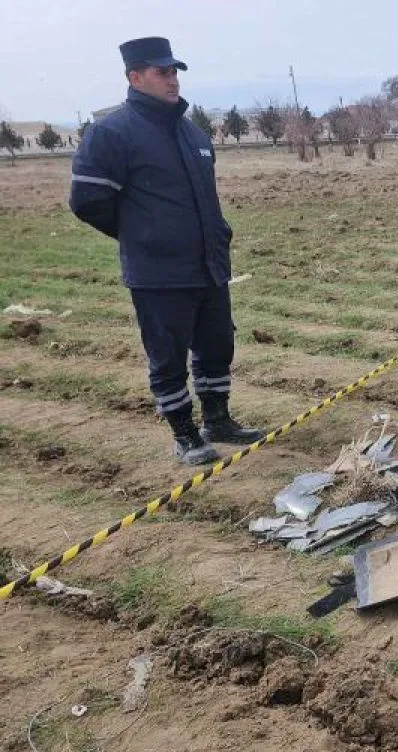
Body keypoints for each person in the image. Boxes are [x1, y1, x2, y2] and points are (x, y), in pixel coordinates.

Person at [69, 37, 261, 465]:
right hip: (158, 273)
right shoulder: (111, 134)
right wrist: (144, 235)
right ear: (135, 77)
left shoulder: (193, 134)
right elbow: (87, 202)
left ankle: (218, 420)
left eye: (174, 72)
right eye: (162, 72)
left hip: (209, 265)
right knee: (168, 357)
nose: (172, 80)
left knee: (217, 346)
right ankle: (185, 435)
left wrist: (219, 233)